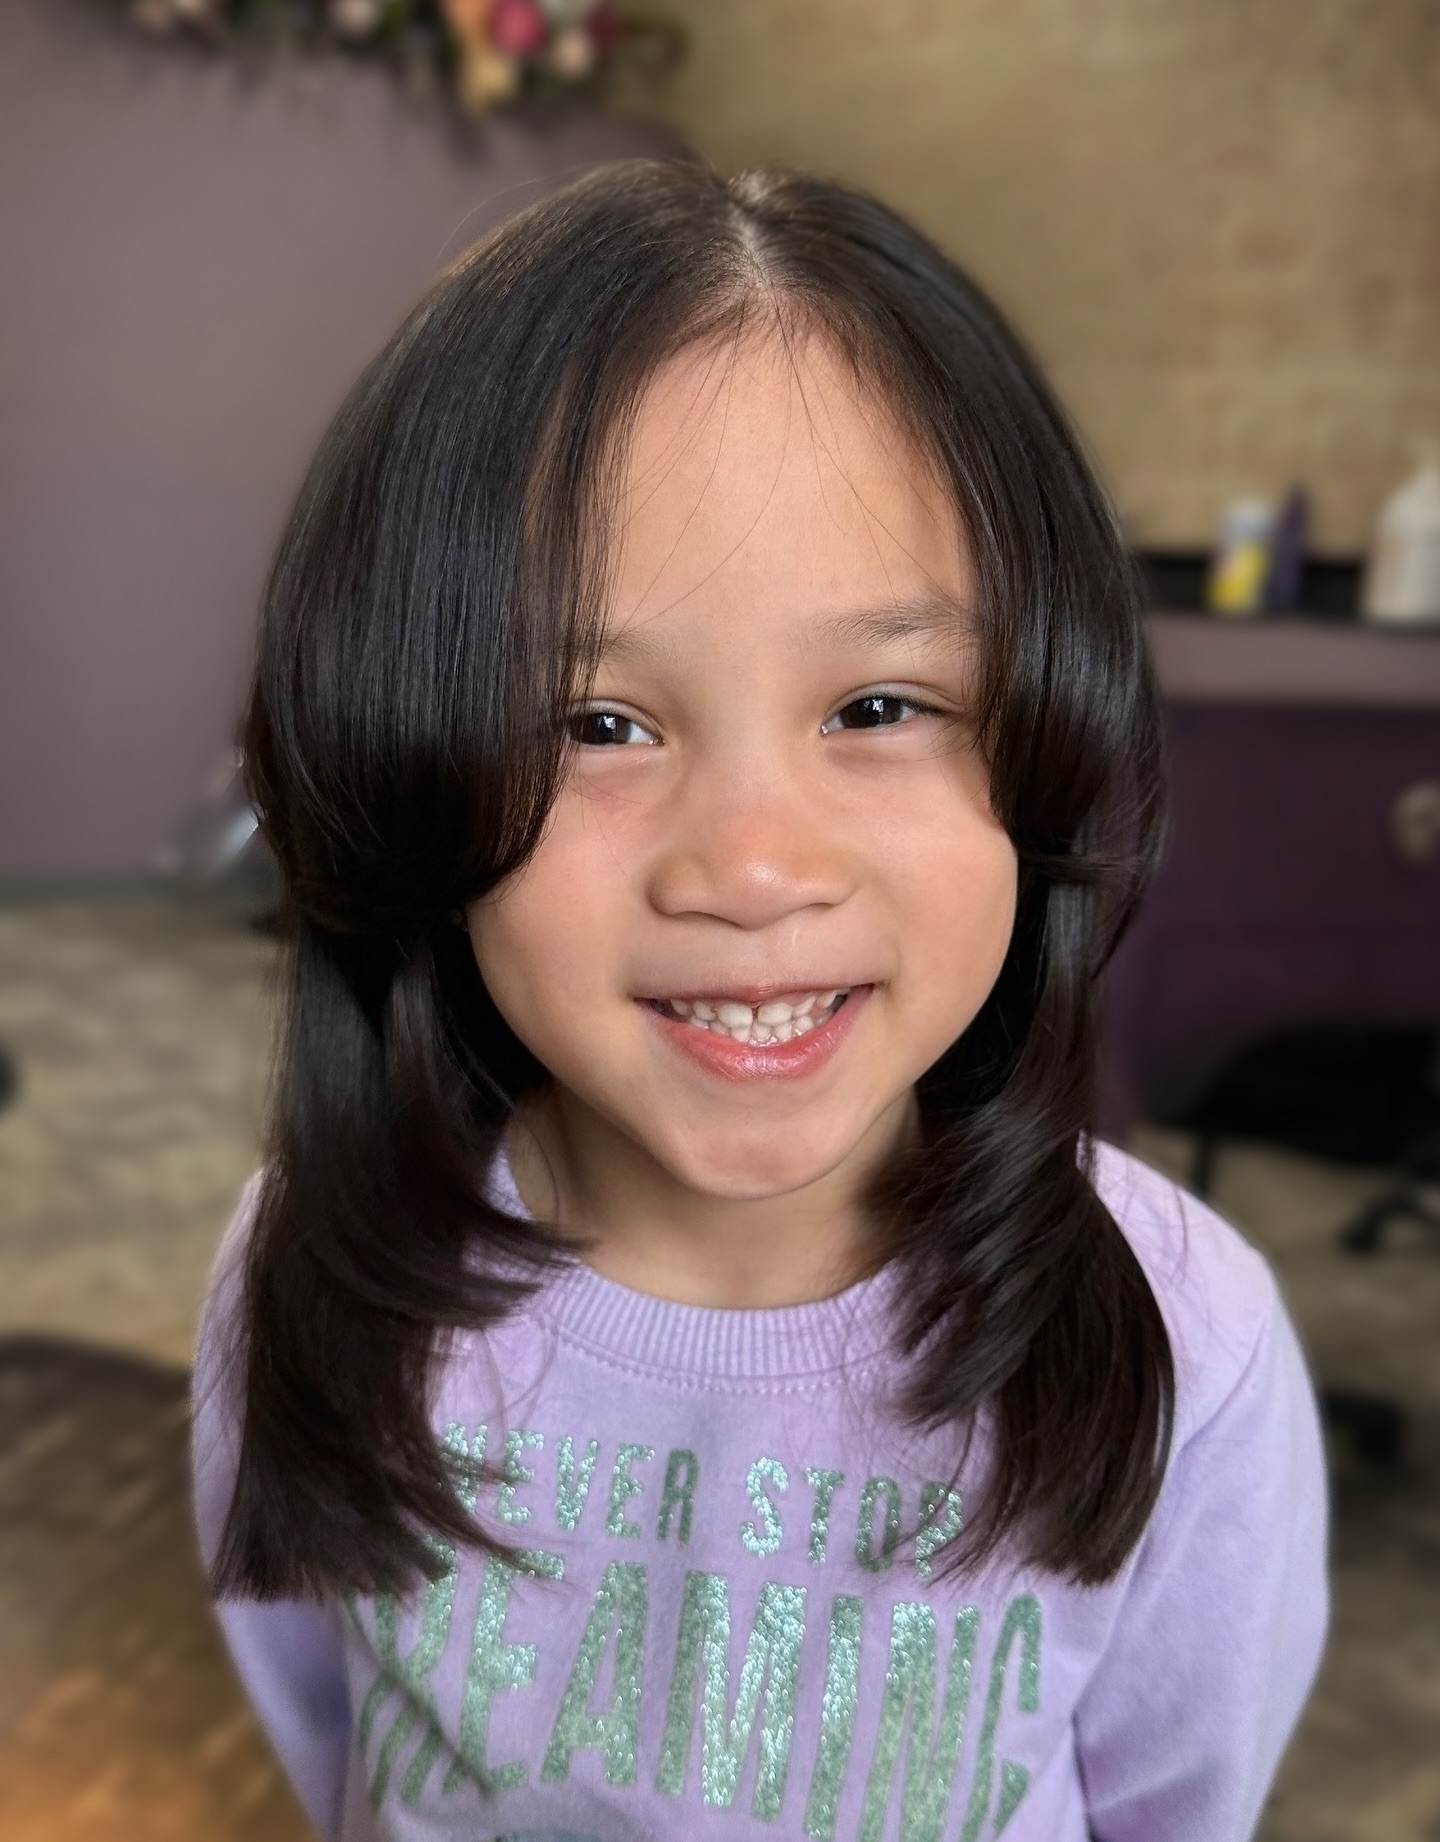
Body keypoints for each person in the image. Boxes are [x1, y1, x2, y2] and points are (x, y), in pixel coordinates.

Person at [193, 160, 1327, 1842]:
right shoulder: (318, 1262)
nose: (751, 866)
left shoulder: (1187, 1343)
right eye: (596, 723)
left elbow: (1180, 1805)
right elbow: (329, 1730)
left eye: (878, 704)